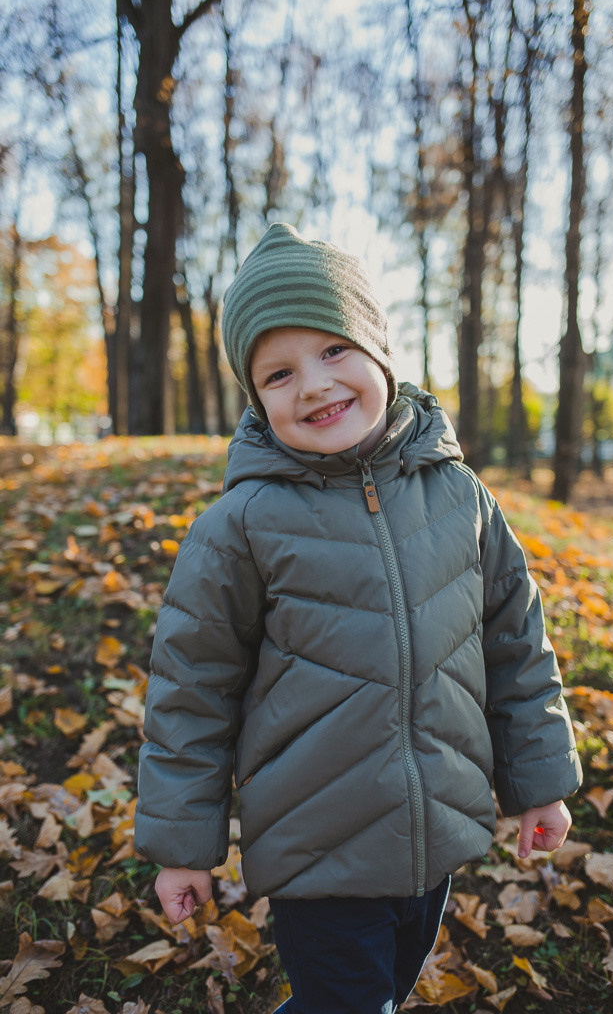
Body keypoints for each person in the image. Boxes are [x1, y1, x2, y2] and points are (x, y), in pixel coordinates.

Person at [134, 223, 582, 1014]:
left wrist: (538, 782)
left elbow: (515, 645)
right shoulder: (240, 527)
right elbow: (190, 694)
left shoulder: (460, 498)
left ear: (379, 349)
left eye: (333, 350)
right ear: (255, 395)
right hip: (316, 848)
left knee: (384, 988)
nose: (311, 384)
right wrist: (182, 850)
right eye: (277, 372)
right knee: (350, 1000)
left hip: (433, 830)